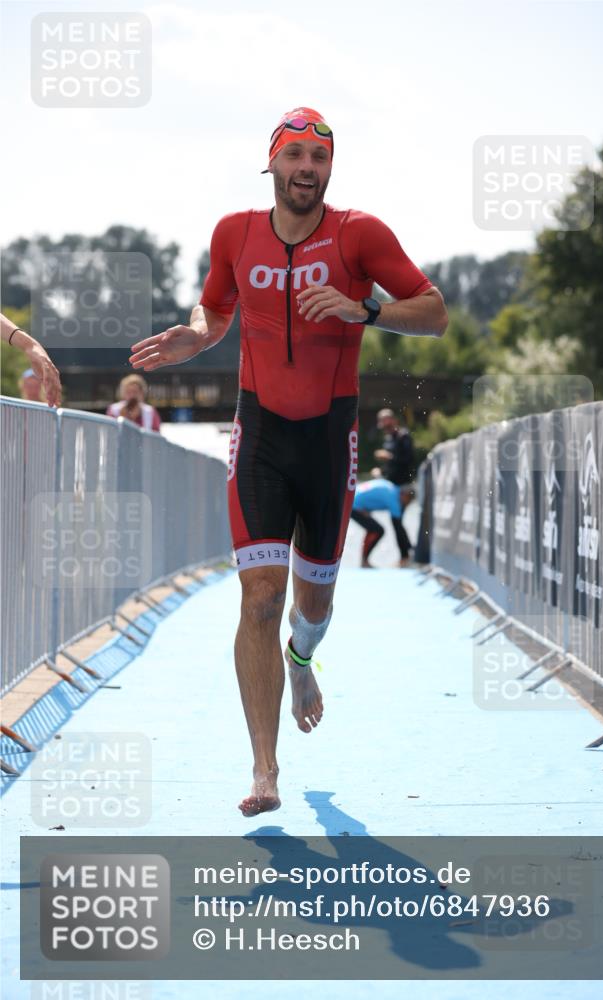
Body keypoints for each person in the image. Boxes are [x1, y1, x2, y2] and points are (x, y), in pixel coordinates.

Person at [127, 106, 448, 817]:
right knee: (259, 598)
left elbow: (432, 311)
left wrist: (362, 310)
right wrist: (196, 337)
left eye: (319, 158)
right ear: (270, 161)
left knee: (312, 604)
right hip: (261, 433)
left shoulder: (358, 233)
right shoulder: (233, 232)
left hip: (329, 440)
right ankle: (263, 771)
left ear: (329, 169)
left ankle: (302, 660)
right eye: (295, 154)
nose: (307, 168)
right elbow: (215, 312)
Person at [351, 479, 416, 567]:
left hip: (351, 499)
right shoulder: (394, 500)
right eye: (408, 502)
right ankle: (364, 562)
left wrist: (409, 547)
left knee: (374, 529)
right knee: (378, 530)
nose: (406, 505)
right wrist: (406, 554)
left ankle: (364, 561)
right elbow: (398, 529)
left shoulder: (391, 488)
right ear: (405, 495)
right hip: (354, 505)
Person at [1, 312, 62, 407]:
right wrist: (29, 345)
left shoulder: (49, 408)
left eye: (34, 386)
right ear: (22, 386)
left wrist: (30, 345)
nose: (32, 390)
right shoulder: (15, 408)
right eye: (29, 386)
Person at [375, 407, 415, 485]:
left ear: (394, 420)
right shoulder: (388, 438)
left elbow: (409, 459)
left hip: (403, 484)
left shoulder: (403, 436)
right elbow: (390, 465)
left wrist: (389, 457)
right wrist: (381, 471)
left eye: (385, 422)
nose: (383, 426)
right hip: (390, 482)